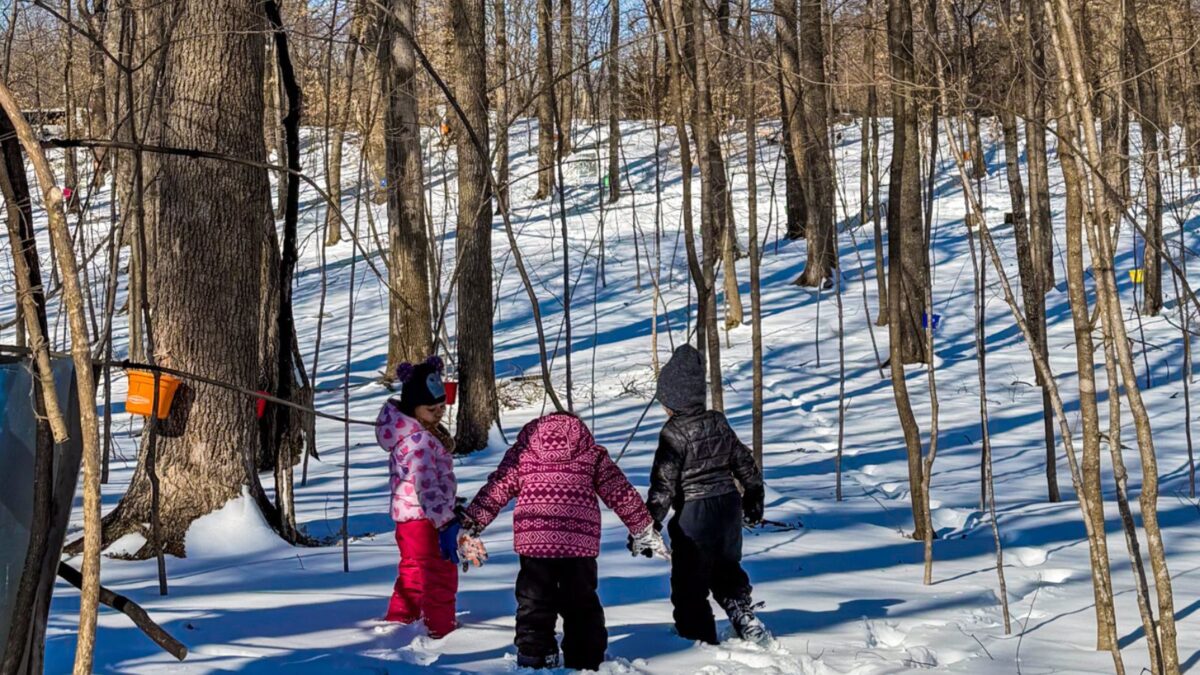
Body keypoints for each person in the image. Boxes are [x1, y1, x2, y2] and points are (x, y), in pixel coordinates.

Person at [460, 413, 669, 670]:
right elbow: (620, 491)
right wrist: (642, 527)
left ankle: (535, 658)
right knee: (580, 602)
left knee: (534, 602)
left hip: (535, 541)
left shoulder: (523, 453)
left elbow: (499, 487)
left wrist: (471, 523)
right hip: (577, 542)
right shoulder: (591, 453)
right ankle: (586, 660)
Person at [646, 344, 769, 645]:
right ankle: (743, 614)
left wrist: (648, 525)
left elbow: (664, 485)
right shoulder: (718, 421)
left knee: (690, 581)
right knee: (727, 570)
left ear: (673, 398)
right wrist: (753, 493)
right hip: (728, 510)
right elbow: (744, 461)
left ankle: (697, 640)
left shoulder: (673, 434)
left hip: (694, 515)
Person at [375, 356, 460, 638]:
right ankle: (442, 629)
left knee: (412, 571)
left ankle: (400, 618)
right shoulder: (419, 441)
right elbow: (426, 486)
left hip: (407, 520)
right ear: (414, 408)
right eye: (431, 408)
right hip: (426, 519)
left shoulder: (409, 434)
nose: (438, 413)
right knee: (440, 573)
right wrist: (445, 521)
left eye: (441, 407)